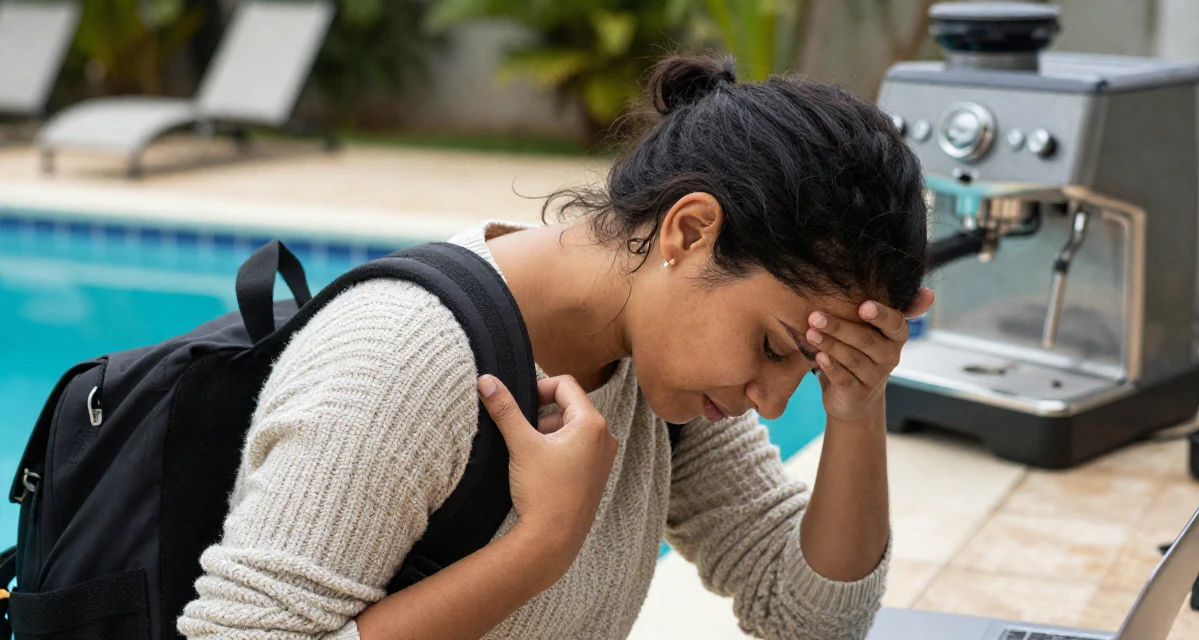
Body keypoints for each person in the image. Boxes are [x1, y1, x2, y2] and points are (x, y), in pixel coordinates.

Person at [177, 54, 934, 640]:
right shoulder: (403, 359)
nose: (770, 401)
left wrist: (858, 407)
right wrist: (540, 547)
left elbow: (812, 620)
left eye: (807, 364)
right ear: (690, 231)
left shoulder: (658, 367)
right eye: (773, 348)